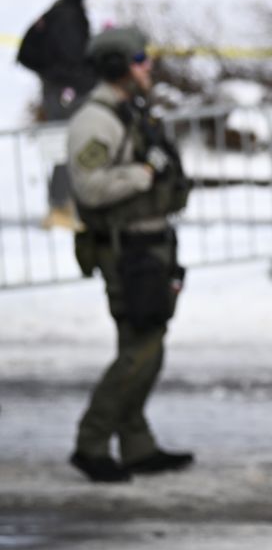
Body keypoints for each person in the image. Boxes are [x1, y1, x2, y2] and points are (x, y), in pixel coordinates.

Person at [67, 27, 192, 483]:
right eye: (139, 58)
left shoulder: (131, 111)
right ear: (118, 65)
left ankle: (136, 444)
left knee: (146, 348)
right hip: (127, 250)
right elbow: (89, 186)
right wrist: (142, 174)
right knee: (141, 350)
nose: (148, 66)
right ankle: (91, 441)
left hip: (151, 245)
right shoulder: (96, 121)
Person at [19, 0, 105, 231]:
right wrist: (92, 79)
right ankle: (59, 206)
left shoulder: (67, 10)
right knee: (66, 146)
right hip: (65, 93)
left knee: (71, 145)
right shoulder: (68, 15)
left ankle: (66, 203)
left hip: (64, 89)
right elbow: (70, 61)